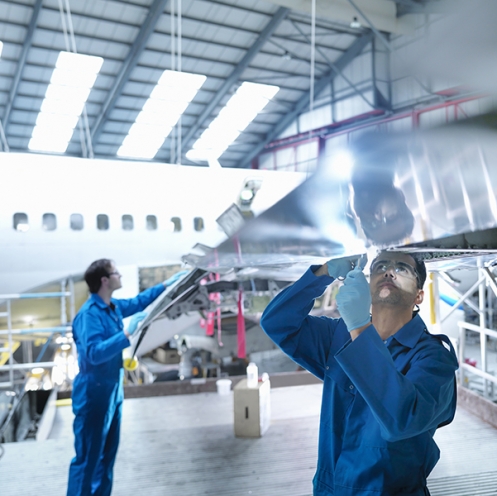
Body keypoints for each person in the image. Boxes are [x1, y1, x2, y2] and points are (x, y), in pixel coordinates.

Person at [260, 251, 458, 496]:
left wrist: (360, 328)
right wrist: (322, 274)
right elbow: (276, 323)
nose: (389, 271)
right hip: (329, 489)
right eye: (380, 266)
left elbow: (403, 419)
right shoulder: (338, 335)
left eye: (402, 269)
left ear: (419, 295)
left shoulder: (434, 358)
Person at [67, 259, 187, 496]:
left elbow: (139, 302)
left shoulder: (112, 307)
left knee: (107, 455)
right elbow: (93, 353)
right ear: (105, 280)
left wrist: (165, 286)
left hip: (112, 391)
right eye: (116, 273)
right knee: (88, 458)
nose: (119, 275)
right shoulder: (89, 315)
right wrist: (126, 333)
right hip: (93, 393)